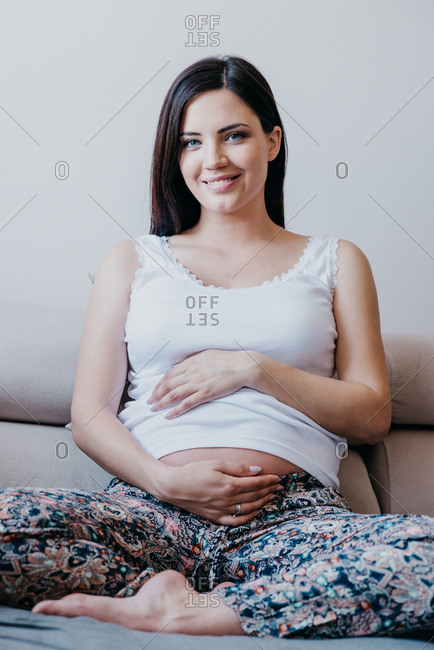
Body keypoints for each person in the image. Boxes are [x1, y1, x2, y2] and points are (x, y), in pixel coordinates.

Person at [1, 55, 433, 640]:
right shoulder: (133, 261)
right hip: (148, 511)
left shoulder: (336, 260)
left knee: (426, 556)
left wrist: (252, 368)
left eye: (235, 135)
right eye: (191, 142)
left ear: (273, 141)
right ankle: (171, 590)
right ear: (175, 157)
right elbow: (90, 412)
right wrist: (163, 481)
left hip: (291, 521)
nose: (214, 160)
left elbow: (372, 415)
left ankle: (193, 611)